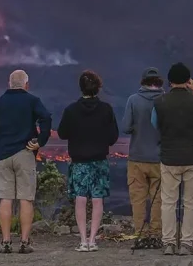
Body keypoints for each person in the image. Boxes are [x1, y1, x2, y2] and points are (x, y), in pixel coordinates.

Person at [0, 69, 52, 254]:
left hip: (3, 155)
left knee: (6, 199)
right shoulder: (32, 101)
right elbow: (46, 117)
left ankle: (5, 242)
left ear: (9, 84)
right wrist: (40, 141)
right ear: (27, 85)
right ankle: (25, 242)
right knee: (26, 199)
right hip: (25, 153)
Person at [151, 62, 193, 256]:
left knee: (168, 202)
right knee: (191, 201)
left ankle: (169, 243)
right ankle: (186, 243)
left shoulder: (160, 102)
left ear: (169, 81)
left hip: (169, 157)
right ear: (188, 80)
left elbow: (155, 123)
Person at [57, 70, 119, 253]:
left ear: (81, 88)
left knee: (81, 199)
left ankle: (83, 240)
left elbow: (62, 133)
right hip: (99, 161)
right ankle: (93, 240)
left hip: (79, 162)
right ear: (98, 88)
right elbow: (113, 137)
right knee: (98, 200)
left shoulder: (71, 110)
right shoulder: (106, 109)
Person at [121, 67, 164, 239]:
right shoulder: (165, 100)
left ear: (143, 82)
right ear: (159, 82)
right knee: (158, 198)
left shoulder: (133, 100)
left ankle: (140, 233)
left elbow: (126, 127)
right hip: (160, 158)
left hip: (137, 157)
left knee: (138, 198)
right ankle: (156, 232)